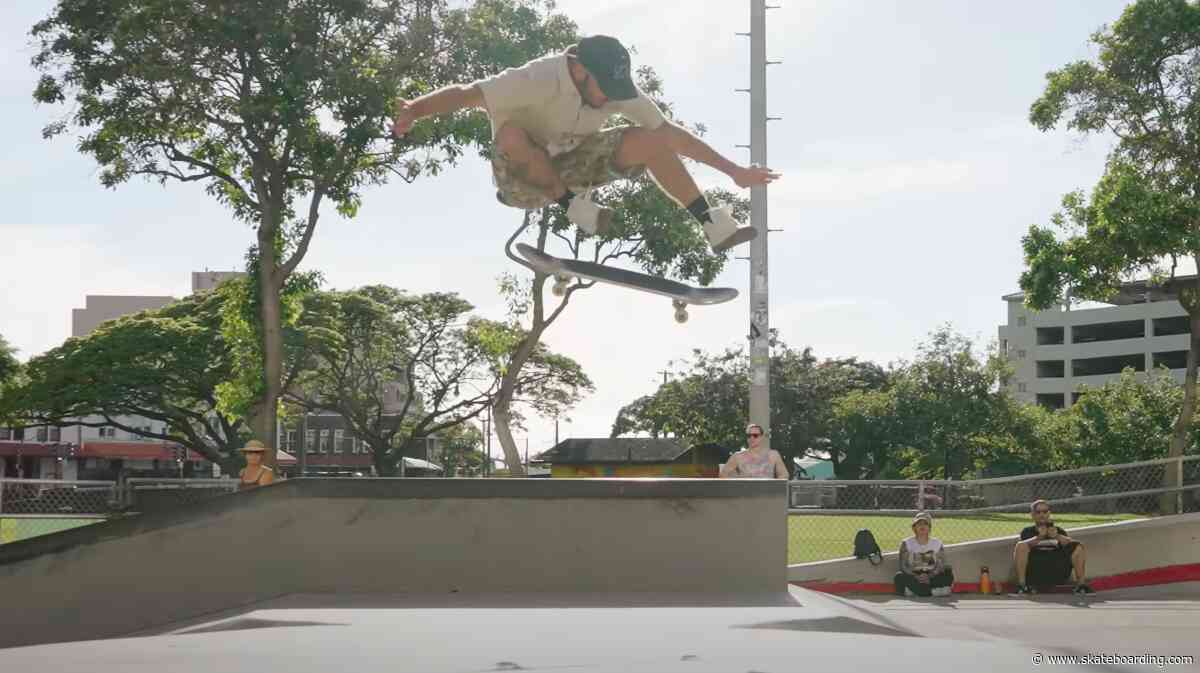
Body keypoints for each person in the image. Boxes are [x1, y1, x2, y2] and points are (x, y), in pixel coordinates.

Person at [390, 35, 779, 249]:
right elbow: (467, 93)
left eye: (616, 91)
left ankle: (710, 223)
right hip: (520, 179)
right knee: (510, 133)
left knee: (652, 138)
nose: (610, 99)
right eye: (603, 90)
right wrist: (415, 110)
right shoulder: (536, 77)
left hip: (575, 163)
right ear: (578, 68)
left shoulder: (619, 91)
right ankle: (570, 206)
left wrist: (734, 172)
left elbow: (671, 134)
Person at [1013, 499, 1094, 595]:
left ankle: (1081, 585)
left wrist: (1057, 536)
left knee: (1078, 546)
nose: (1042, 514)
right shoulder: (1027, 531)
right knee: (1020, 545)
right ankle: (1022, 586)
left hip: (1057, 570)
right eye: (1038, 512)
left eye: (1045, 511)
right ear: (1032, 515)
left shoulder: (1058, 531)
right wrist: (1039, 537)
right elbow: (1021, 547)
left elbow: (1073, 544)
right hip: (1036, 572)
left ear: (1049, 513)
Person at [894, 512, 954, 597]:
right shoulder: (906, 543)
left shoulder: (937, 543)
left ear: (929, 527)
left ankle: (915, 591)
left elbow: (941, 565)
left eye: (925, 524)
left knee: (948, 571)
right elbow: (903, 566)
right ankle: (933, 592)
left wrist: (929, 576)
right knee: (899, 577)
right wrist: (916, 576)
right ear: (914, 527)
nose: (922, 526)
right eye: (919, 524)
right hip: (913, 575)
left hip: (931, 575)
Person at [719, 424, 788, 479]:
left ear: (762, 437)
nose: (752, 438)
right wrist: (739, 480)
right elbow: (722, 475)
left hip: (767, 493)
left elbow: (784, 475)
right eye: (749, 436)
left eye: (755, 435)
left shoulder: (773, 455)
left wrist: (774, 487)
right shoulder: (737, 456)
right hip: (745, 494)